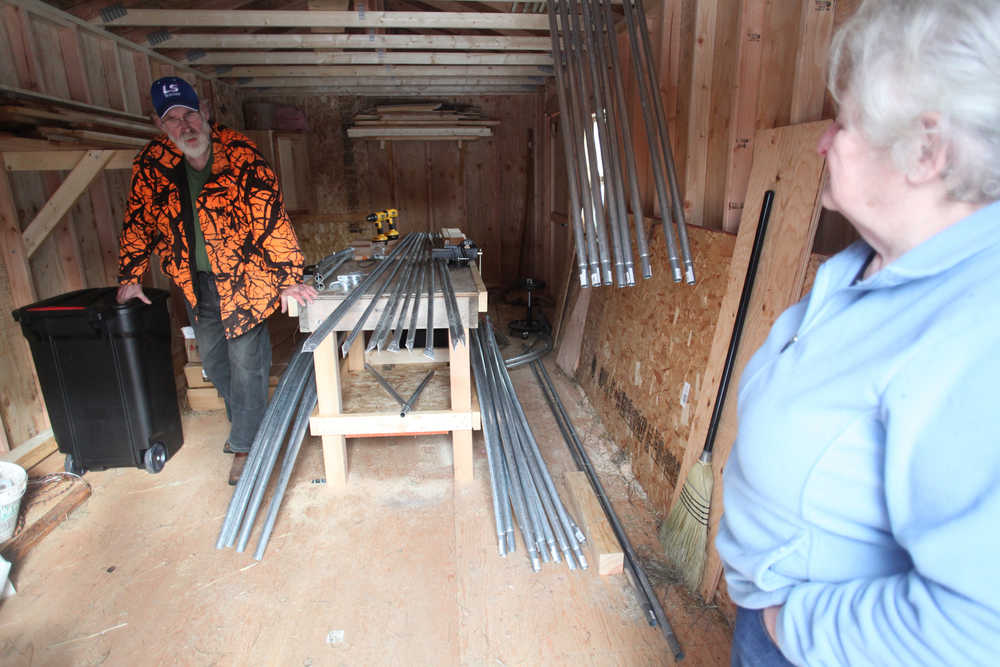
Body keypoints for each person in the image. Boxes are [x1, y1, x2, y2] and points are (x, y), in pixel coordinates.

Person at [715, 1, 1000, 664]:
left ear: (927, 151)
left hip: (818, 644)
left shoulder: (975, 329)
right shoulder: (869, 265)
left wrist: (791, 627)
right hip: (773, 621)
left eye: (845, 123)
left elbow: (981, 624)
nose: (822, 141)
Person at [117, 77, 316, 485]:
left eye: (190, 114)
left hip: (246, 277)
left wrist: (287, 277)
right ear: (160, 125)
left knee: (248, 363)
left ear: (205, 112)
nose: (185, 125)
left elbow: (271, 217)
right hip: (195, 281)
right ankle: (249, 424)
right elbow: (139, 220)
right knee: (214, 362)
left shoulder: (241, 154)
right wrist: (131, 275)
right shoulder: (152, 165)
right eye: (173, 119)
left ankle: (246, 445)